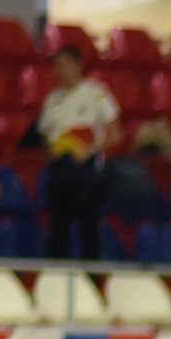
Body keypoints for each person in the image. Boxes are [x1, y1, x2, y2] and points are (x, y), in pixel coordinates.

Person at [34, 47, 118, 261]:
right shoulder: (52, 100)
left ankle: (91, 275)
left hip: (86, 170)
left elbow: (115, 133)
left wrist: (90, 150)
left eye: (66, 64)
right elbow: (44, 137)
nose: (62, 70)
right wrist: (51, 151)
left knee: (89, 230)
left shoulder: (96, 93)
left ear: (78, 65)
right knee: (58, 232)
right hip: (59, 171)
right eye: (58, 66)